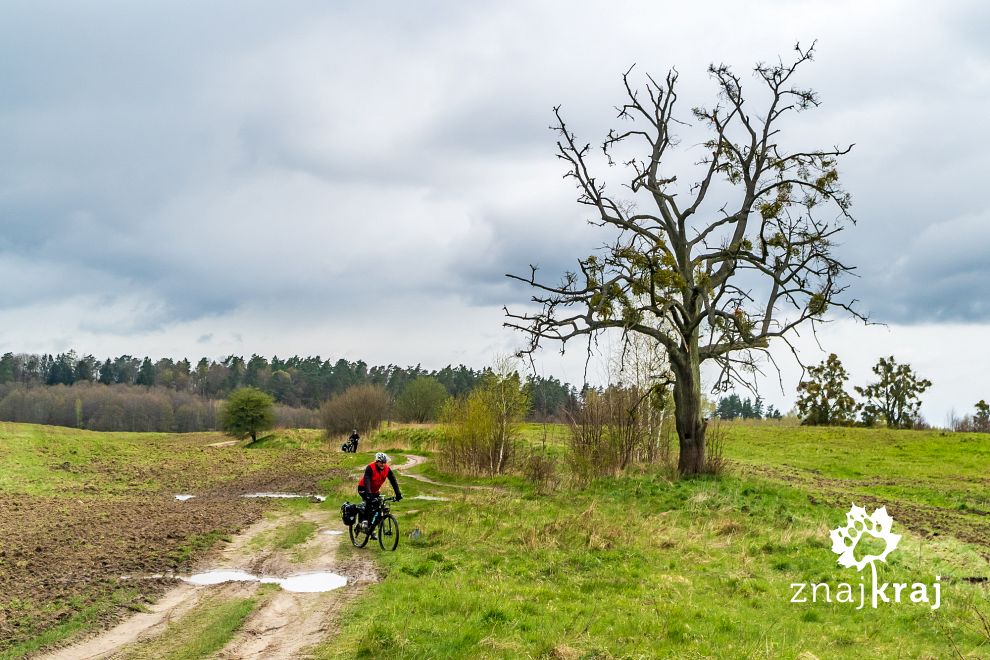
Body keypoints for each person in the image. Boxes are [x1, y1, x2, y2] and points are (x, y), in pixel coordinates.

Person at [357, 452, 402, 534]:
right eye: (381, 462)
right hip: (363, 488)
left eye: (384, 462)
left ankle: (372, 527)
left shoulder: (387, 469)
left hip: (374, 491)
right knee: (369, 502)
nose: (383, 464)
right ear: (377, 461)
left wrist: (398, 493)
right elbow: (367, 481)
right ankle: (364, 522)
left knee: (379, 507)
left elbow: (393, 481)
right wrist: (369, 494)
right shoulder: (370, 467)